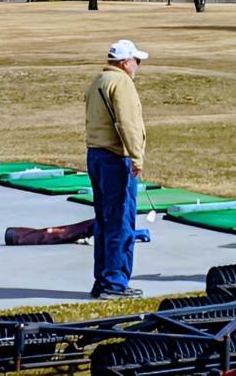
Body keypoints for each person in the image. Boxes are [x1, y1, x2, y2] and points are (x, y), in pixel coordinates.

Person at [84, 39, 148, 299]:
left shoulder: (98, 80)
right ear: (124, 62)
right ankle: (115, 282)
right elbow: (128, 123)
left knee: (104, 220)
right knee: (121, 222)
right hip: (115, 157)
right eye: (136, 60)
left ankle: (103, 279)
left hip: (96, 154)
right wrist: (137, 156)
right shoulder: (122, 83)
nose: (138, 65)